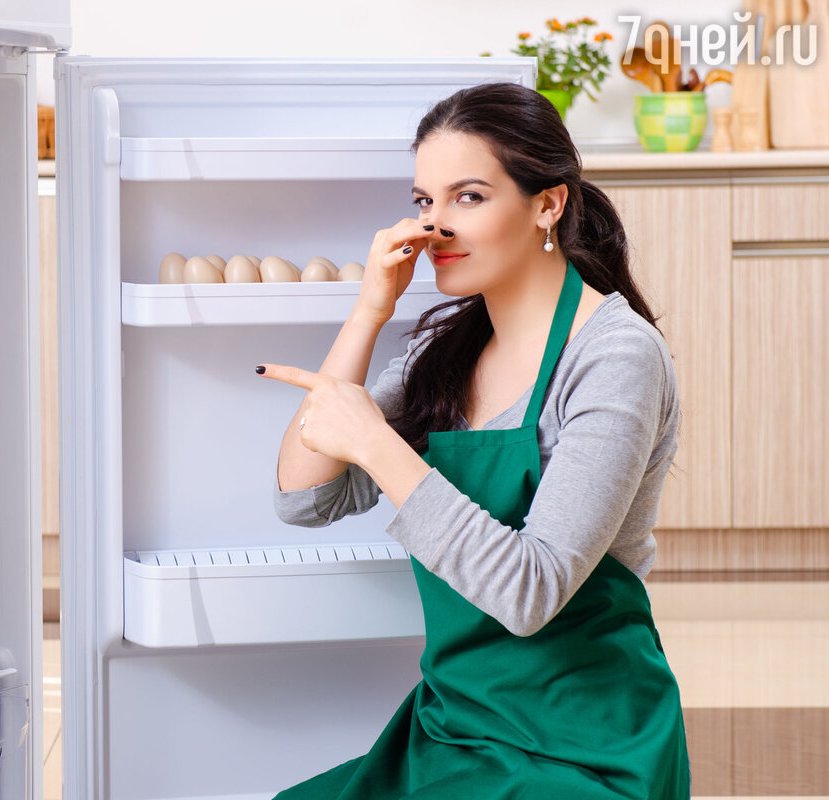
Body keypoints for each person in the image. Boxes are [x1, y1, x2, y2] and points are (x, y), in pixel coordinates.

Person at [253, 82, 691, 799]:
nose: (436, 227)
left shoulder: (615, 356)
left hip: (586, 745)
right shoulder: (448, 354)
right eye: (425, 201)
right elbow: (305, 499)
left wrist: (379, 443)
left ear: (548, 204)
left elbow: (531, 591)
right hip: (458, 726)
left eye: (469, 197)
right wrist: (369, 310)